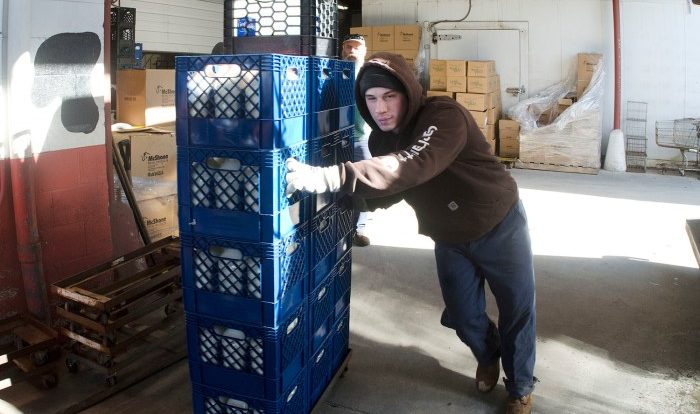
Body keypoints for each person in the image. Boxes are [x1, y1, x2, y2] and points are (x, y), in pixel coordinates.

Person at [285, 52, 537, 414]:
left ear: (408, 91)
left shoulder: (444, 116)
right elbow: (395, 189)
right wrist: (343, 206)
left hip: (499, 224)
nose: (380, 109)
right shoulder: (382, 143)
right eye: (371, 99)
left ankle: (520, 387)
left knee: (518, 308)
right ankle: (488, 351)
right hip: (449, 236)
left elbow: (412, 165)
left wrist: (332, 176)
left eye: (389, 96)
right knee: (464, 315)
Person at [341, 33, 373, 247]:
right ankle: (338, 227)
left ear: (364, 51)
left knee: (363, 186)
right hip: (332, 139)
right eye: (348, 47)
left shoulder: (369, 75)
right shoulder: (333, 73)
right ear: (343, 50)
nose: (352, 51)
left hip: (360, 139)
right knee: (336, 183)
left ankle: (359, 229)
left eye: (356, 47)